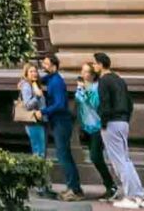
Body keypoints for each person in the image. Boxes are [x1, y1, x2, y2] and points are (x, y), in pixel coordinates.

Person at [94, 52, 144, 210]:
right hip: (123, 121)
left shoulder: (104, 81)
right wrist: (125, 119)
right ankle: (138, 195)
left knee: (119, 162)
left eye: (95, 63)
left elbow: (105, 103)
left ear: (101, 65)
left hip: (111, 123)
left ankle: (131, 197)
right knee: (125, 160)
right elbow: (129, 103)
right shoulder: (119, 79)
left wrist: (103, 123)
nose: (94, 66)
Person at [41, 53, 84, 202]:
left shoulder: (57, 82)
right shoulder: (52, 78)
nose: (43, 66)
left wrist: (43, 111)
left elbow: (59, 104)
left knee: (64, 156)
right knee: (63, 155)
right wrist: (28, 80)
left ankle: (75, 189)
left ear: (54, 66)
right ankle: (73, 187)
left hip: (61, 122)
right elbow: (40, 79)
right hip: (58, 121)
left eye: (46, 64)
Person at [76, 62, 116, 200]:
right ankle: (109, 185)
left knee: (95, 156)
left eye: (86, 71)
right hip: (86, 127)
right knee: (94, 157)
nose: (83, 74)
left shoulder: (97, 87)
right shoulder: (81, 86)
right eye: (82, 71)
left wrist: (85, 91)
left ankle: (111, 185)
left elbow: (95, 104)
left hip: (98, 127)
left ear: (93, 74)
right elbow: (79, 103)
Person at [18, 63, 55, 199]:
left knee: (41, 153)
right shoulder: (27, 86)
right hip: (33, 122)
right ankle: (40, 186)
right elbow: (28, 105)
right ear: (26, 73)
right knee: (38, 154)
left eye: (35, 71)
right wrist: (38, 97)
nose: (34, 74)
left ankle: (43, 185)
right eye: (31, 71)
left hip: (41, 122)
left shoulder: (35, 84)